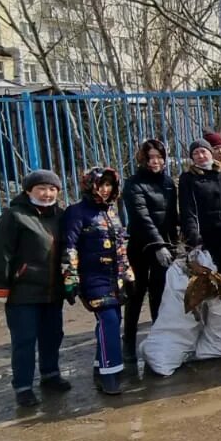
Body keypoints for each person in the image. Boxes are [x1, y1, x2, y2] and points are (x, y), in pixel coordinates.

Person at [0, 169, 69, 409]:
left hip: (52, 290)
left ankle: (50, 375)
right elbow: (0, 254)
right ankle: (23, 386)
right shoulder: (14, 216)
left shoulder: (60, 216)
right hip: (22, 291)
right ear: (28, 190)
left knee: (52, 335)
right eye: (41, 189)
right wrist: (0, 288)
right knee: (24, 340)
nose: (47, 194)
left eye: (52, 189)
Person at [62, 167, 136, 395]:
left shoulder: (112, 212)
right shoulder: (77, 212)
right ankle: (110, 375)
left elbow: (121, 245)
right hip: (92, 277)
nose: (105, 190)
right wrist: (70, 278)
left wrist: (128, 273)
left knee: (110, 322)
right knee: (110, 321)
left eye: (109, 185)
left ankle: (100, 368)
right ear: (89, 185)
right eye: (100, 185)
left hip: (115, 277)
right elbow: (70, 246)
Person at [121, 138, 178, 359]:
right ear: (142, 159)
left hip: (165, 246)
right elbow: (141, 217)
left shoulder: (168, 183)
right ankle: (129, 341)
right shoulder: (133, 184)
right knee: (137, 293)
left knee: (160, 293)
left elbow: (172, 215)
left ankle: (158, 336)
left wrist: (177, 239)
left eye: (159, 157)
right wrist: (157, 244)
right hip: (141, 246)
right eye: (150, 157)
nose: (155, 161)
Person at [179, 139, 221, 281]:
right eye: (195, 153)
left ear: (210, 152)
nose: (200, 156)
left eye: (203, 151)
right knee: (213, 277)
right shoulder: (188, 178)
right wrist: (194, 236)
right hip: (207, 235)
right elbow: (187, 209)